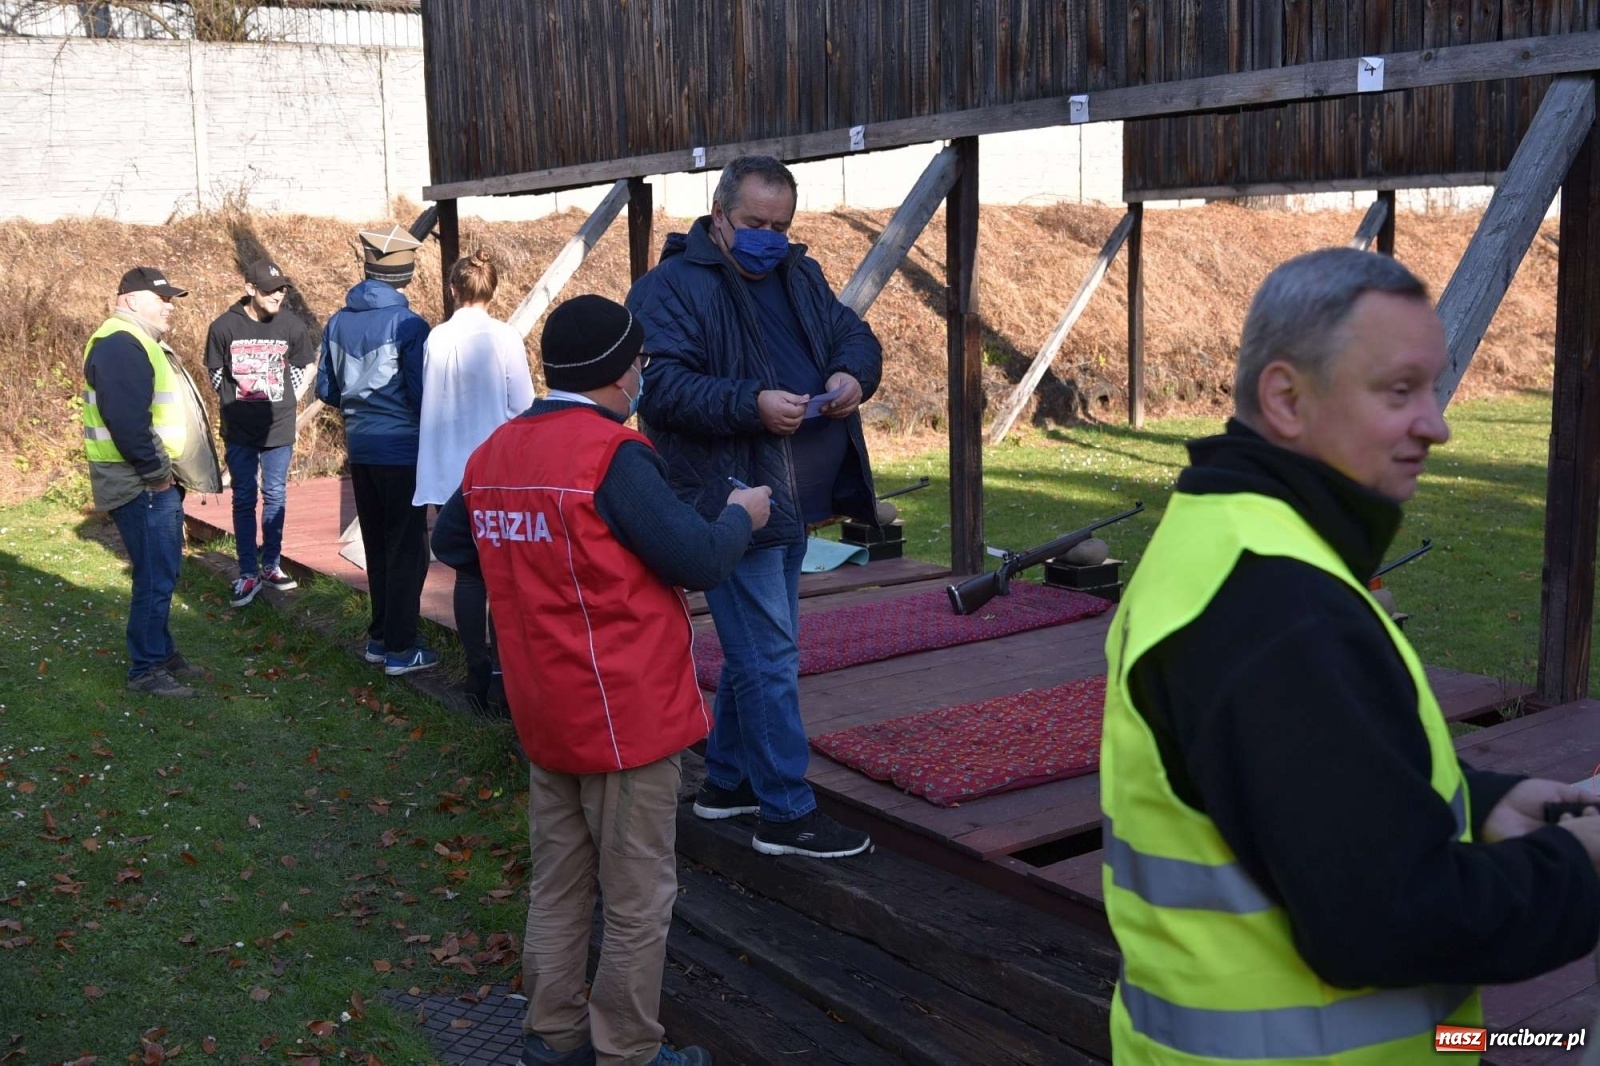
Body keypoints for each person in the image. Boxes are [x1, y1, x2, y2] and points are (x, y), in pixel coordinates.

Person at [1100, 247, 1600, 1063]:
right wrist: (1578, 866)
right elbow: (1389, 920)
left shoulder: (1228, 541)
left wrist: (1483, 804)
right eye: (1399, 391)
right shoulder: (1279, 610)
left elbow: (1300, 785)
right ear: (1287, 399)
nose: (1436, 424)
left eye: (1431, 389)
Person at [433, 294, 769, 1066]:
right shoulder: (609, 454)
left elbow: (459, 540)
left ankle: (550, 1036)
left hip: (545, 708)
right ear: (623, 374)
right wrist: (742, 514)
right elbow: (698, 557)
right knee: (638, 896)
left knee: (557, 882)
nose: (644, 376)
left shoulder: (496, 453)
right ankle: (628, 1052)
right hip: (627, 710)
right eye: (642, 365)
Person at [626, 155, 879, 859]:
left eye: (780, 225)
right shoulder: (669, 288)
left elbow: (851, 334)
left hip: (799, 494)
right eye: (754, 224)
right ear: (718, 218)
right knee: (769, 656)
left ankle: (729, 783)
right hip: (730, 498)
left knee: (753, 653)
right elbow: (663, 391)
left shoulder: (800, 273)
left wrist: (852, 373)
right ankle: (786, 812)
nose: (770, 237)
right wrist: (752, 405)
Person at [82, 266, 223, 698]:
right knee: (155, 576)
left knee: (162, 569)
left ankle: (161, 653)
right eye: (160, 297)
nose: (169, 306)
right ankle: (145, 670)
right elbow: (126, 421)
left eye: (172, 298)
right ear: (127, 299)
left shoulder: (134, 340)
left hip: (148, 478)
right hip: (140, 481)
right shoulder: (120, 343)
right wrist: (158, 476)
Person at [413, 248, 534, 715]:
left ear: (452, 289)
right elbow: (522, 404)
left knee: (468, 573)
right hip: (495, 466)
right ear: (494, 290)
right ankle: (503, 674)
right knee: (502, 574)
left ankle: (475, 669)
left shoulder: (437, 337)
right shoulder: (505, 336)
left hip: (448, 469)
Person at [316, 224, 436, 676]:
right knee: (408, 549)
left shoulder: (336, 321)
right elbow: (421, 393)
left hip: (360, 447)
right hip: (401, 449)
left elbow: (327, 389)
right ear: (405, 273)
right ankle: (403, 651)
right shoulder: (409, 325)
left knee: (379, 544)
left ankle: (380, 637)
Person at [204, 257, 315, 607]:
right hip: (239, 430)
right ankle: (247, 572)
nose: (277, 295)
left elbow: (305, 364)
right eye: (269, 290)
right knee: (243, 497)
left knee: (276, 495)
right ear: (250, 289)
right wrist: (240, 402)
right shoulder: (224, 326)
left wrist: (287, 398)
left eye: (281, 289)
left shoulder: (291, 325)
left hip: (278, 429)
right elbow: (216, 373)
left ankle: (271, 565)